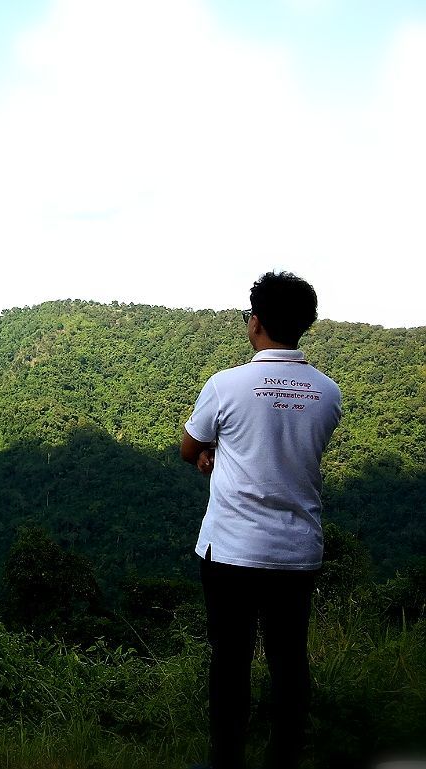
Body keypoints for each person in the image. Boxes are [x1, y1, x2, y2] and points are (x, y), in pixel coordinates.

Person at [180, 271, 342, 769]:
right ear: (305, 324)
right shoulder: (327, 391)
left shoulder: (226, 384)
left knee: (230, 663)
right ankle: (285, 755)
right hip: (296, 550)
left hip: (232, 550)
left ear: (255, 323)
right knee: (289, 661)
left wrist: (212, 454)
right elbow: (287, 451)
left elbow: (190, 447)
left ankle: (226, 759)